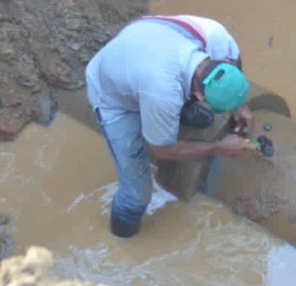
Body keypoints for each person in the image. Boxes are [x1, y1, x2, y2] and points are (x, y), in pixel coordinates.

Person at [85, 14, 258, 238]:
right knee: (137, 195)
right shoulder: (162, 93)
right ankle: (121, 239)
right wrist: (217, 147)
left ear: (224, 62)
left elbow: (235, 66)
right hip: (113, 96)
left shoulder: (217, 38)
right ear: (197, 94)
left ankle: (170, 115)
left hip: (143, 45)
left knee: (167, 108)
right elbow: (160, 150)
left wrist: (239, 103)